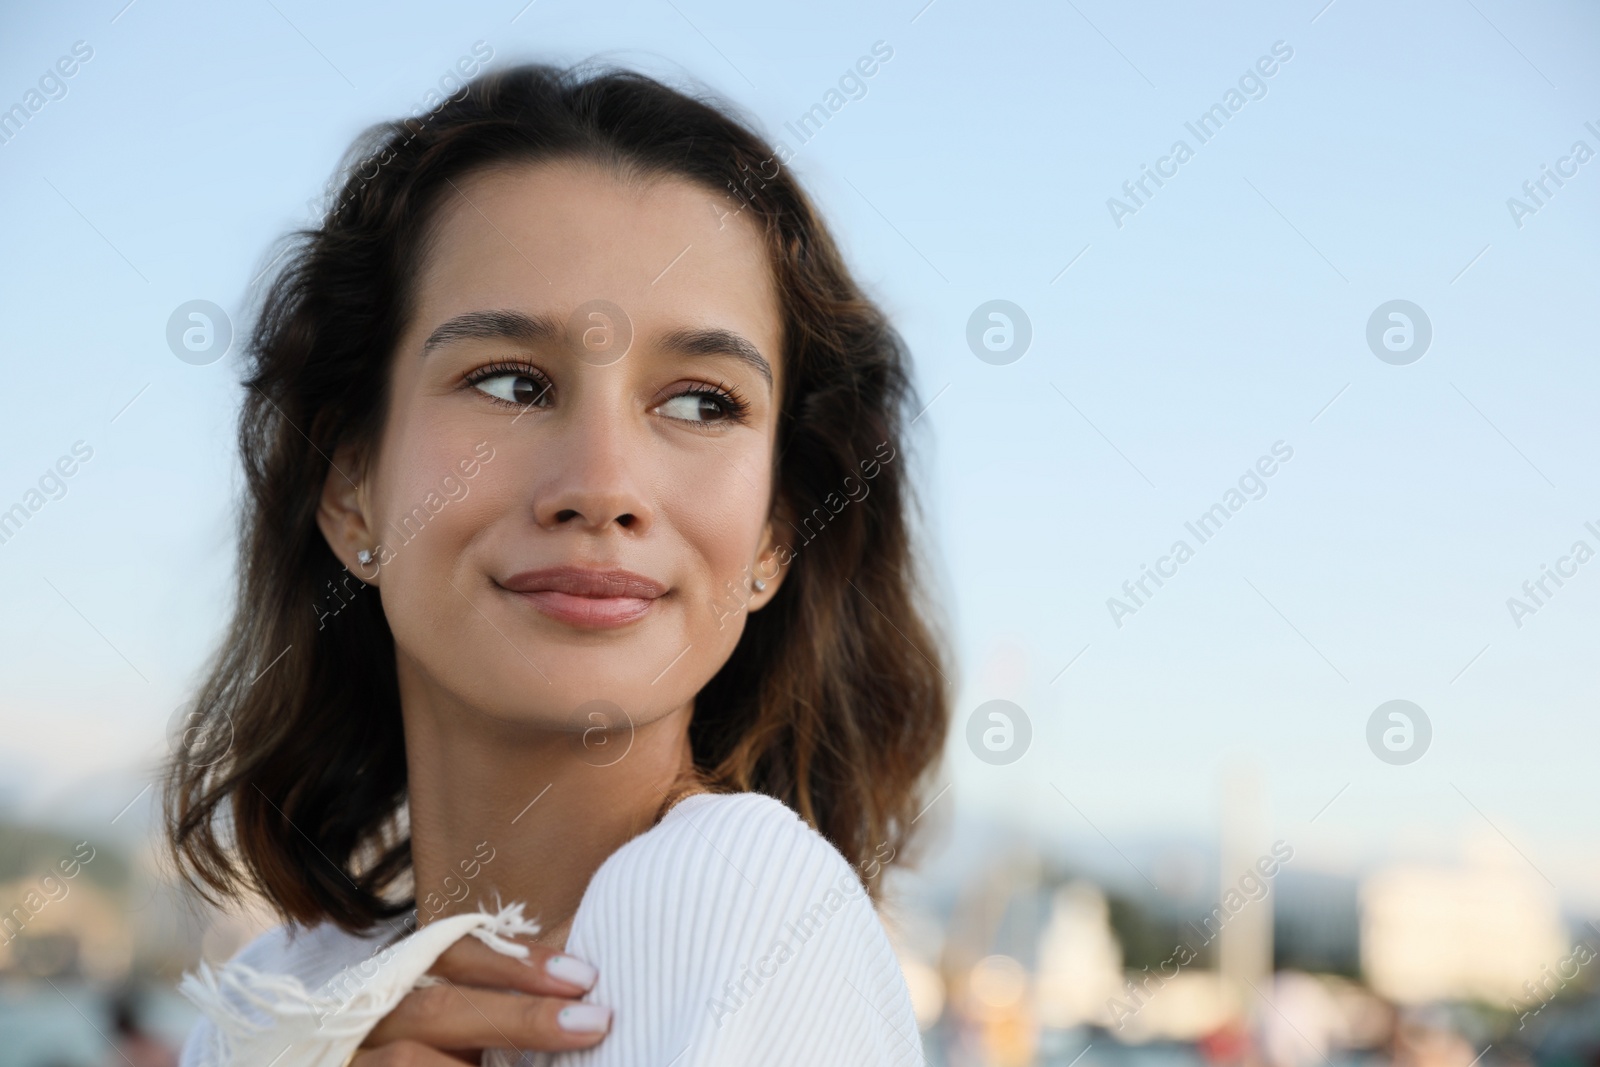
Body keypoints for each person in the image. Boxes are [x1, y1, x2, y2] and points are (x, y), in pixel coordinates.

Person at [162, 60, 949, 1065]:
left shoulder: (742, 892)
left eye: (702, 400)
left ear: (772, 534)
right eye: (508, 382)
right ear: (349, 483)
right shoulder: (275, 994)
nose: (602, 482)